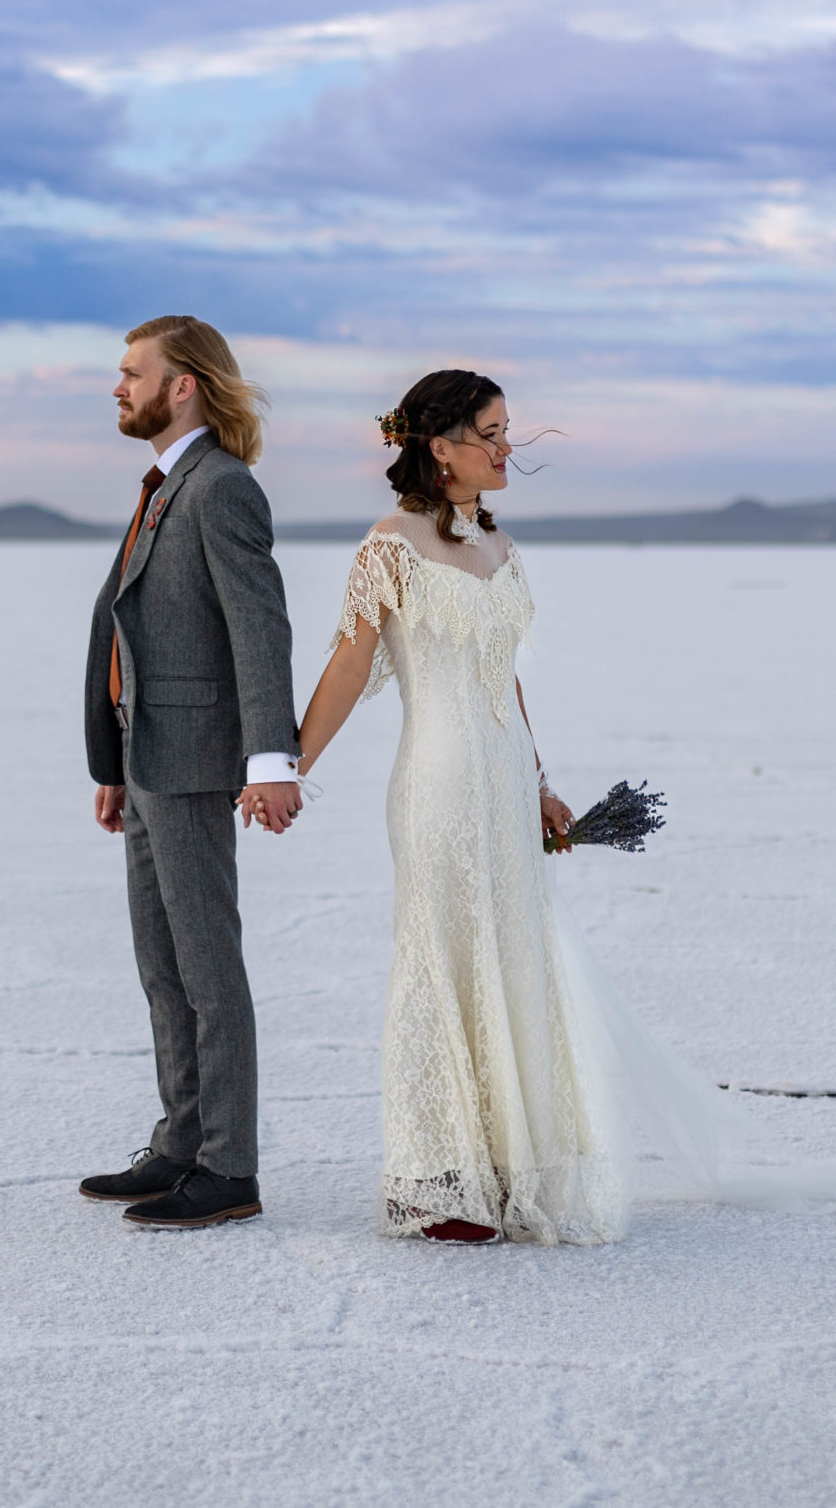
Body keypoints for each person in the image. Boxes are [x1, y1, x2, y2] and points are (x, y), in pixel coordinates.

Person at [291, 368, 626, 1245]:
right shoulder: (389, 546)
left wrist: (544, 782)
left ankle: (510, 1168)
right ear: (440, 447)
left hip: (507, 778)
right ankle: (442, 1178)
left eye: (507, 429)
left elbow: (504, 677)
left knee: (512, 959)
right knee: (441, 957)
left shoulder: (500, 545)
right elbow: (349, 664)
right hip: (438, 781)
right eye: (490, 431)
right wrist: (287, 765)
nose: (506, 446)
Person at [77, 316, 303, 1231]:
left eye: (133, 373)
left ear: (185, 386)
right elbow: (126, 627)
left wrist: (272, 760)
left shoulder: (222, 489)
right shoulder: (165, 484)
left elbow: (259, 629)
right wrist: (113, 760)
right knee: (162, 964)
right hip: (146, 758)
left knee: (209, 968)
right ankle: (180, 1141)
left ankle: (229, 1167)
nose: (118, 386)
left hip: (200, 759)